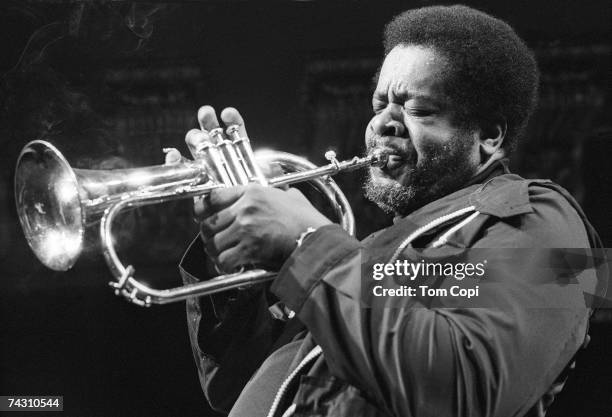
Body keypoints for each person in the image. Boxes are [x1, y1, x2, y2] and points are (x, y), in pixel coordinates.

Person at [170, 5, 605, 417]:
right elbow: (235, 388)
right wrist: (237, 268)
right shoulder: (371, 260)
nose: (383, 123)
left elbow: (465, 388)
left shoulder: (541, 216)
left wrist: (305, 244)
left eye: (418, 108)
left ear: (488, 135)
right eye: (379, 105)